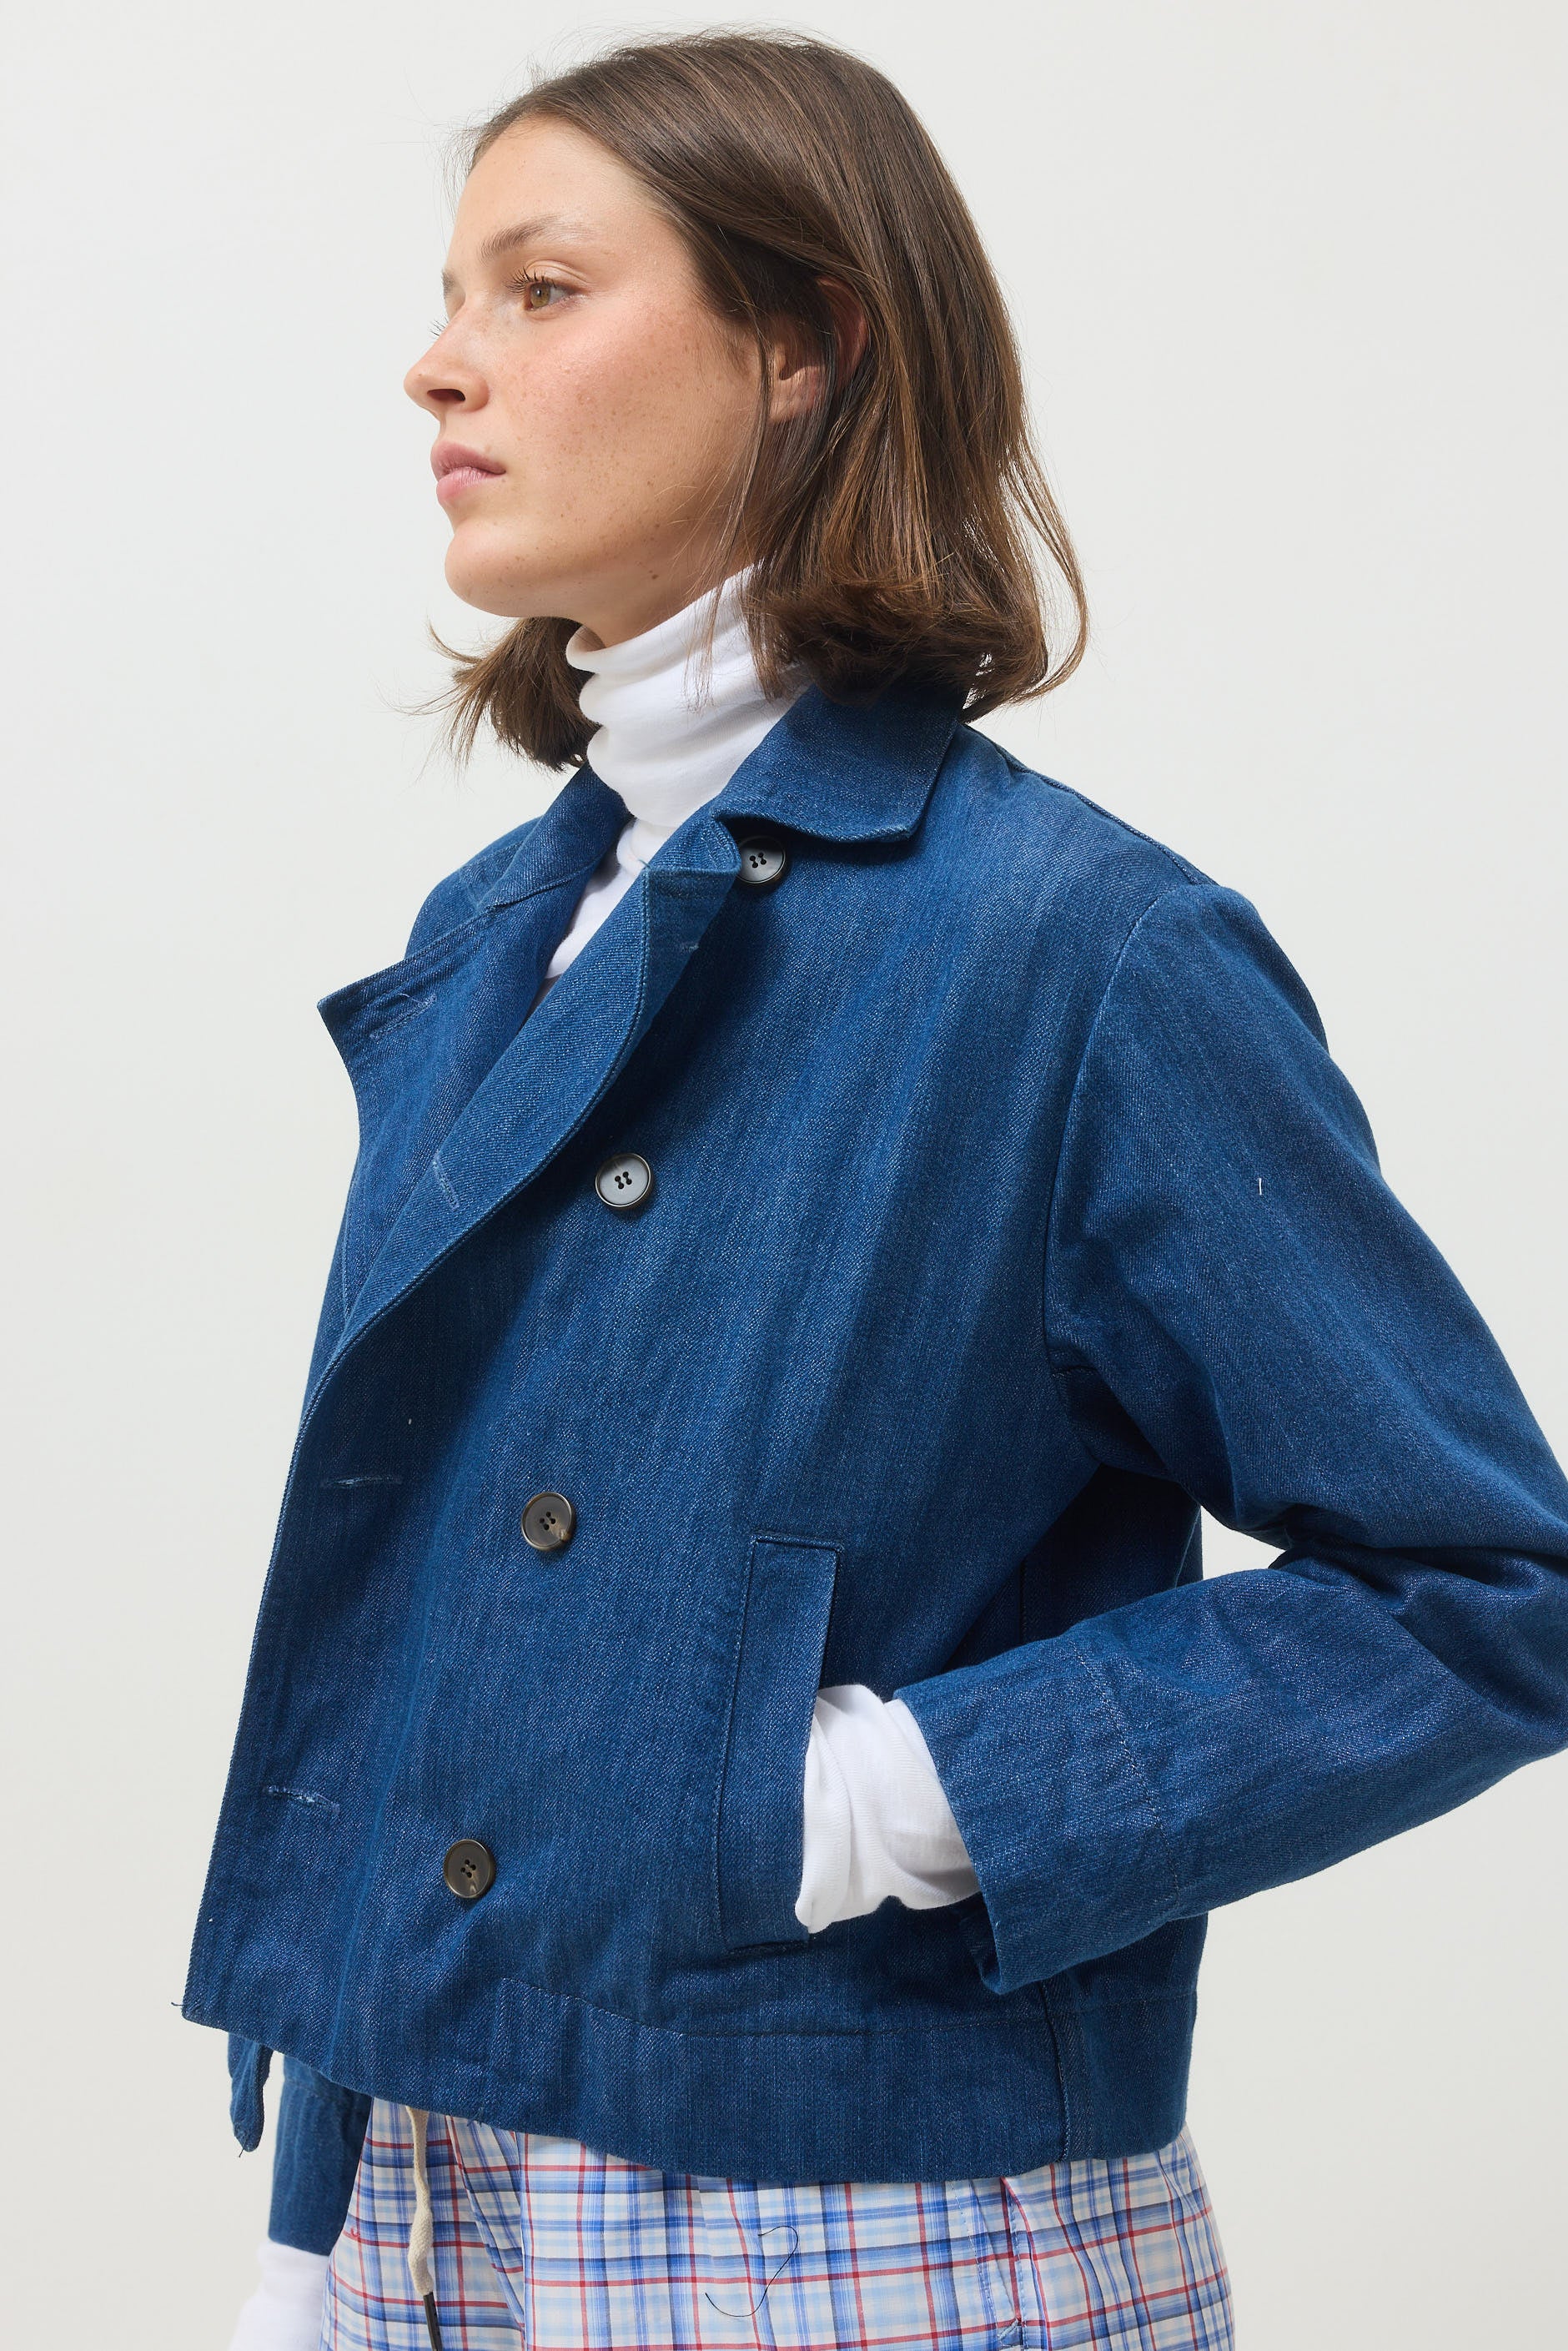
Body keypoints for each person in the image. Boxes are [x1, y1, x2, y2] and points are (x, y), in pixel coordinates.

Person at [196, 32, 1568, 2351]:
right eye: (451, 297)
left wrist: (867, 1799)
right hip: (426, 2170)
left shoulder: (1079, 950)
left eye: (542, 288)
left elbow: (1484, 1585)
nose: (441, 364)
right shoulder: (498, 930)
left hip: (856, 2222)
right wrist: (318, 2241)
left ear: (806, 343)